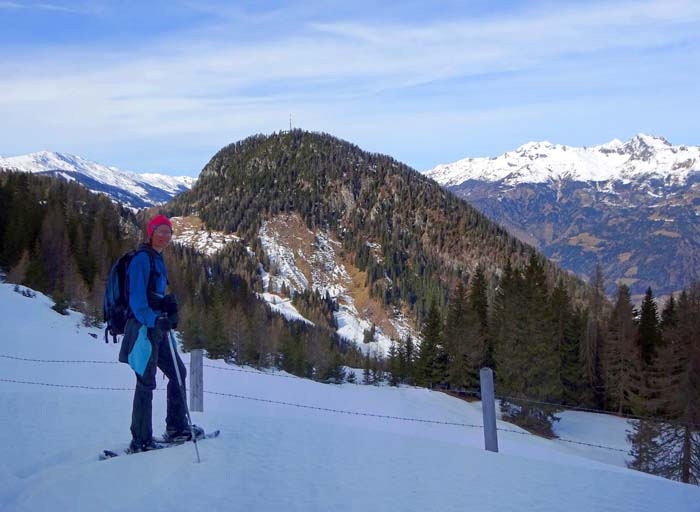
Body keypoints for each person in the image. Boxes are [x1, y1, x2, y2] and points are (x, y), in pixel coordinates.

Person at [119, 214, 201, 452]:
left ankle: (176, 427)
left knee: (179, 372)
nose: (165, 236)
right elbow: (137, 301)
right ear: (151, 232)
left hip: (157, 328)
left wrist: (167, 305)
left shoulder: (157, 259)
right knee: (146, 382)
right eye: (161, 231)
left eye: (169, 232)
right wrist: (156, 318)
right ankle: (141, 440)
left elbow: (152, 295)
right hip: (144, 329)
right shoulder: (142, 260)